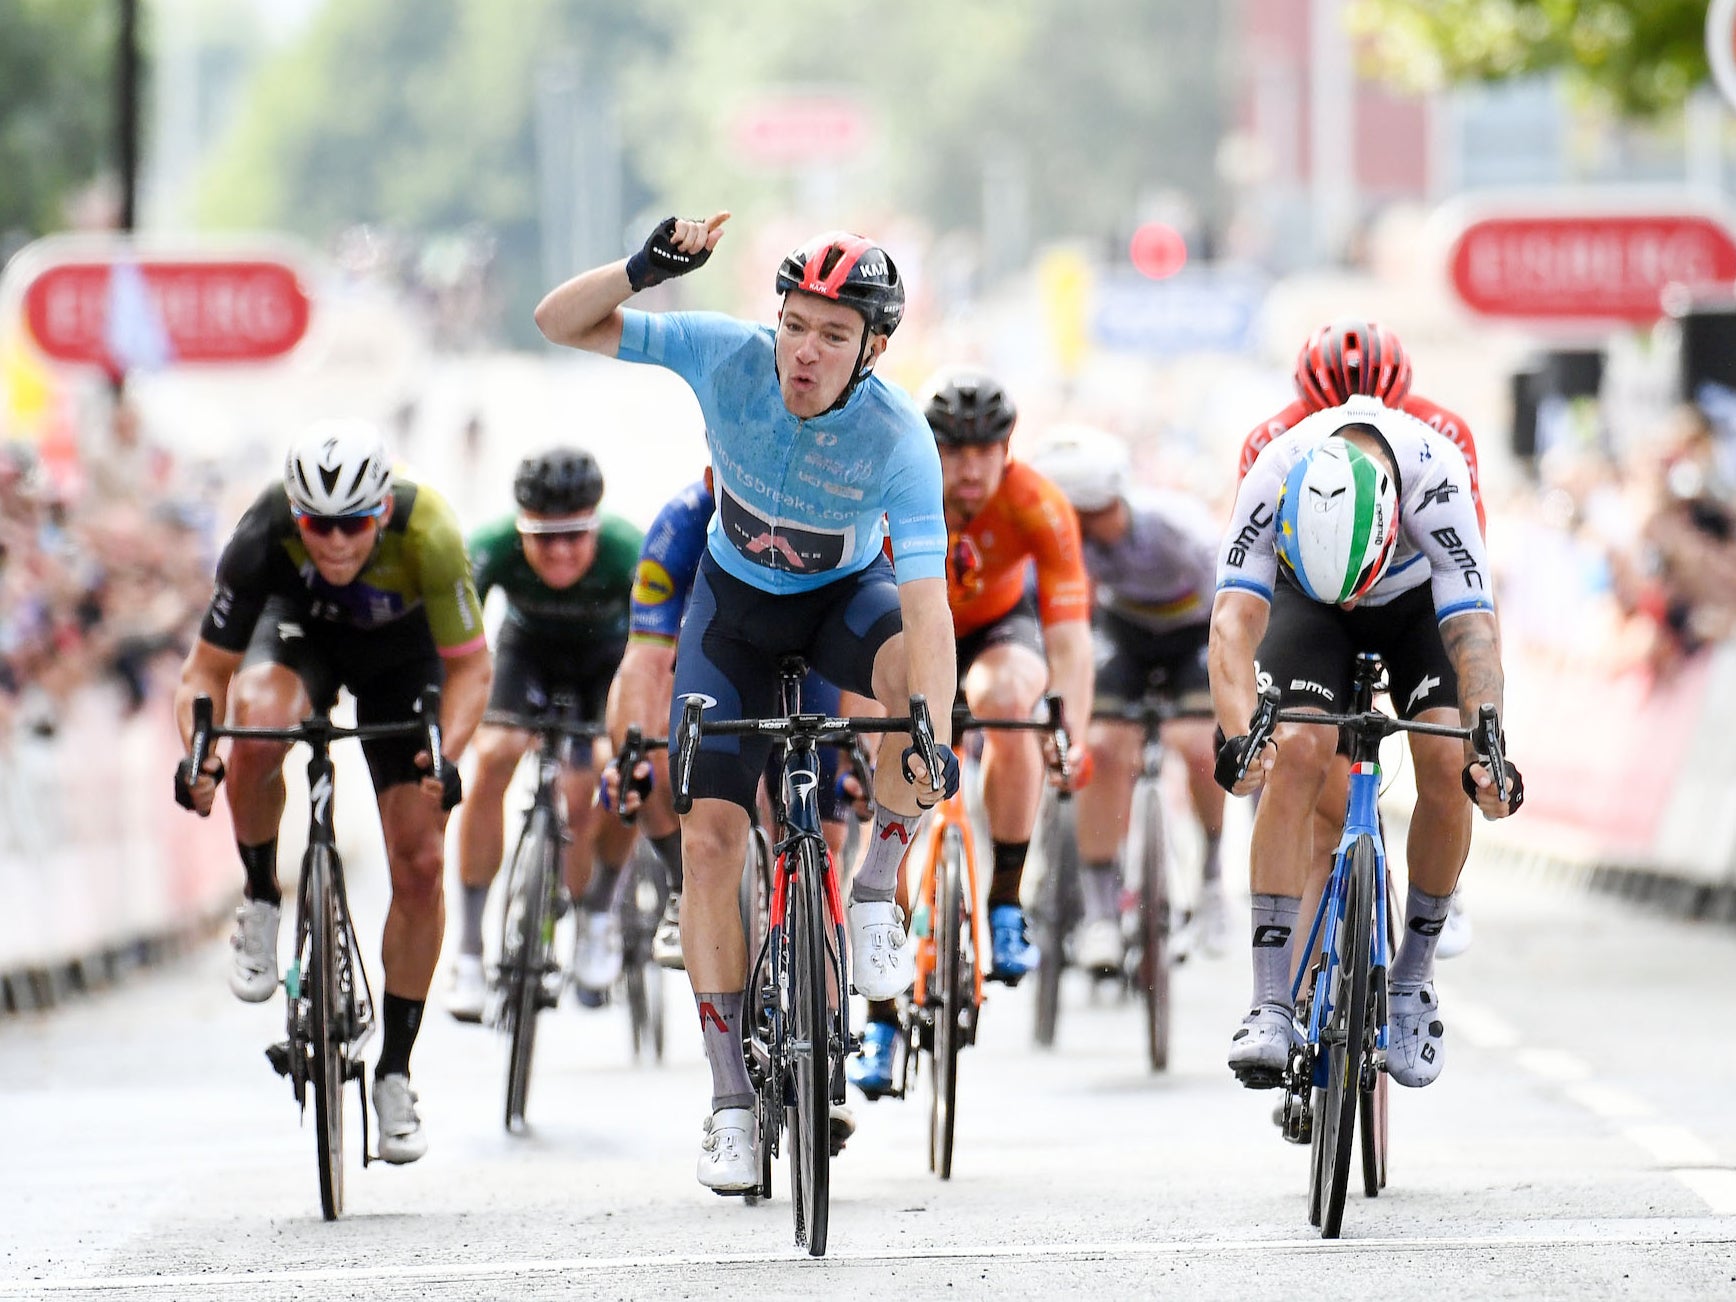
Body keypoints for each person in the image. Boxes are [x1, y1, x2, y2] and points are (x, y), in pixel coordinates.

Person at [534, 213, 959, 1194]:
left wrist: (926, 735)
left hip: (836, 610)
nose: (806, 352)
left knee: (912, 687)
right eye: (796, 325)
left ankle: (872, 895)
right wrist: (645, 269)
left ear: (874, 350)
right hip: (727, 621)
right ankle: (729, 1101)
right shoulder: (725, 355)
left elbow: (928, 612)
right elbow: (558, 322)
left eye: (833, 335)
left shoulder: (898, 437)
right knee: (710, 840)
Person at [172, 418, 491, 1163]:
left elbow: (473, 669)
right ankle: (259, 897)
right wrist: (198, 754)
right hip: (296, 638)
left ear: (380, 511)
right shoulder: (262, 532)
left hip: (402, 659)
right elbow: (204, 673)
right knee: (256, 723)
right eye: (319, 525)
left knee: (419, 861)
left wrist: (448, 756)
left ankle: (395, 1073)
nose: (338, 543)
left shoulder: (431, 531)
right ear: (296, 512)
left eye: (353, 524)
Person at [1208, 396, 1523, 1094]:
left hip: (1416, 605)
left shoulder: (1436, 476)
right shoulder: (1273, 470)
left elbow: (1473, 636)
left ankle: (1411, 979)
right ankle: (1269, 999)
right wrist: (1238, 737)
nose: (1354, 603)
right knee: (1293, 750)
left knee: (1448, 759)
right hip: (1304, 601)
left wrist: (1489, 746)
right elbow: (1231, 625)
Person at [845, 368, 1093, 1096]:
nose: (971, 469)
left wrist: (1067, 732)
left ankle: (1007, 900)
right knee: (884, 810)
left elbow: (1070, 642)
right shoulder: (892, 491)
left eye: (987, 451)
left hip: (993, 632)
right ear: (931, 449)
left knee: (1012, 698)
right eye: (955, 452)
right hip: (911, 628)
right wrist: (863, 755)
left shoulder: (1039, 504)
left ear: (1008, 449)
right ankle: (882, 1019)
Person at [1241, 319, 1485, 958]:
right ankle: (1289, 991)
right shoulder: (1276, 445)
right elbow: (1247, 592)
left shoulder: (1440, 441)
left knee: (1447, 756)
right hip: (1312, 599)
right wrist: (1250, 719)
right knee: (1306, 763)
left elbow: (1467, 583)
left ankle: (1418, 958)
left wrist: (1484, 729)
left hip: (1412, 592)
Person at [605, 470, 864, 974]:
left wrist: (862, 750)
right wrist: (630, 754)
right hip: (726, 662)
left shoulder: (832, 505)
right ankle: (688, 885)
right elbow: (646, 657)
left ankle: (817, 974)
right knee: (658, 748)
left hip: (815, 667)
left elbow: (866, 648)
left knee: (824, 837)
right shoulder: (681, 523)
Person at [446, 449, 643, 1020]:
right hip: (526, 654)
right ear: (519, 529)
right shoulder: (489, 547)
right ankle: (467, 949)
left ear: (596, 527)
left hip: (605, 658)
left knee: (610, 771)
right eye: (543, 538)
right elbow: (457, 649)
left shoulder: (627, 551)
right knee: (494, 756)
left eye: (574, 537)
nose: (559, 551)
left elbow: (653, 655)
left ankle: (598, 913)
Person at [1027, 424, 1230, 966]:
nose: (1081, 531)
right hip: (1123, 632)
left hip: (1194, 632)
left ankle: (1211, 878)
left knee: (1200, 743)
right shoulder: (1073, 542)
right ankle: (1099, 913)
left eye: (1089, 518)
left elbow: (1230, 611)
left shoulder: (1177, 529)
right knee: (1104, 746)